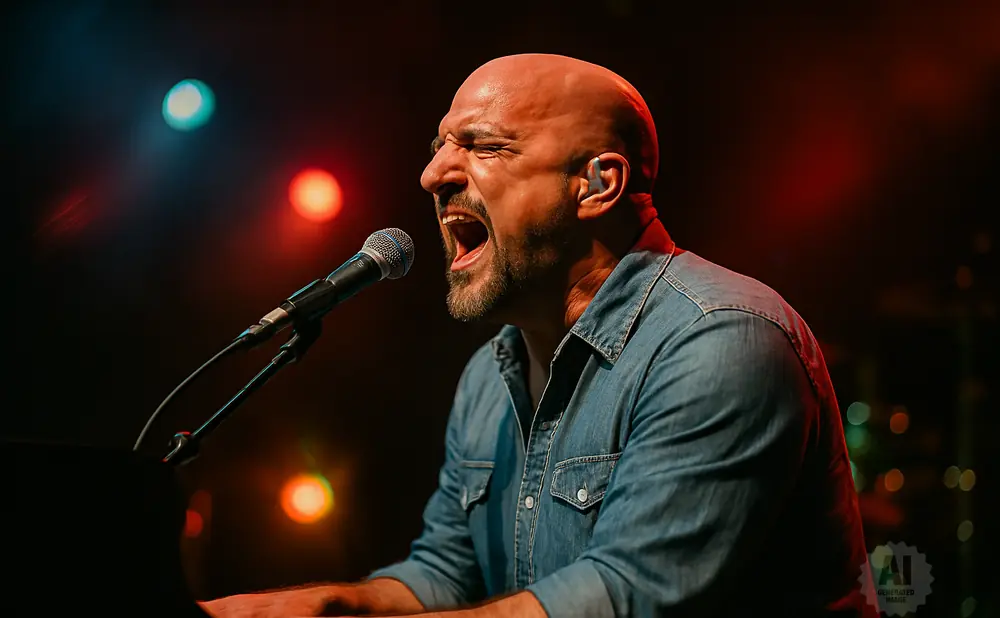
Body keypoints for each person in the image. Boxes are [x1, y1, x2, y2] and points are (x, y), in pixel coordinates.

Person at [202, 53, 876, 618]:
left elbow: (622, 598)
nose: (434, 174)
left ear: (597, 184)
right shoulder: (489, 375)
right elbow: (445, 577)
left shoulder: (720, 341)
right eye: (440, 146)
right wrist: (263, 611)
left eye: (484, 145)